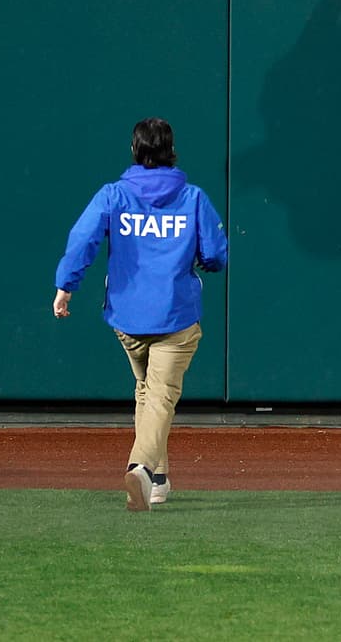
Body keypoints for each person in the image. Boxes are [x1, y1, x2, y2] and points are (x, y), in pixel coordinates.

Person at [52, 117, 228, 512]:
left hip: (128, 321)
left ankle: (159, 479)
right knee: (161, 396)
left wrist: (66, 286)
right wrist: (200, 259)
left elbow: (83, 239)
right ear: (171, 151)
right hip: (176, 318)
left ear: (135, 150)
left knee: (147, 392)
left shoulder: (113, 195)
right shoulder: (193, 198)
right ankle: (142, 467)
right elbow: (216, 254)